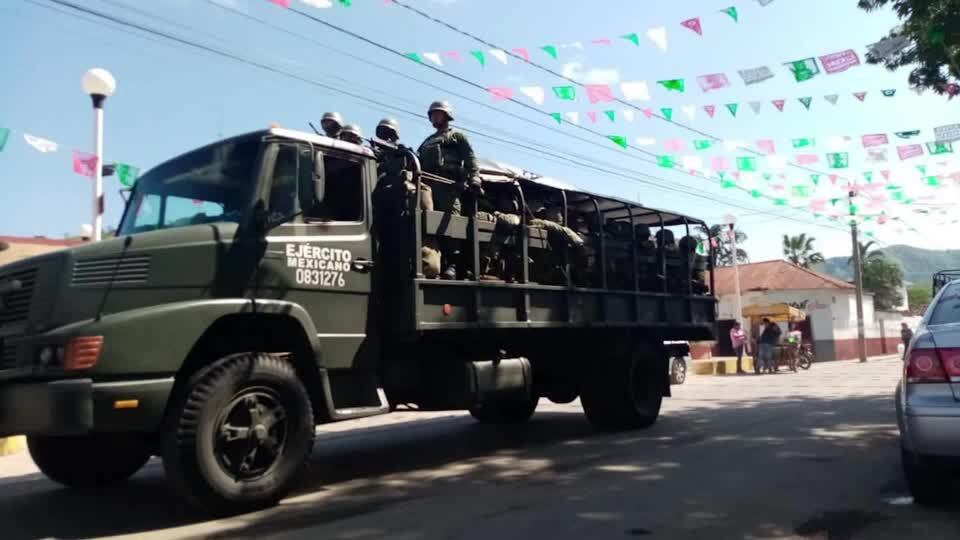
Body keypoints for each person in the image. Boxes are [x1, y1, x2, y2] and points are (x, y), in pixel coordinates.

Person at [418, 100, 482, 280]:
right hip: (428, 187)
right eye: (432, 114)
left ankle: (452, 264)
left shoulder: (457, 136)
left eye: (438, 113)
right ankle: (433, 262)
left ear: (446, 116)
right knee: (429, 224)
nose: (434, 117)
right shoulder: (427, 141)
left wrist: (475, 177)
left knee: (451, 223)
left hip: (449, 186)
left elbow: (470, 158)